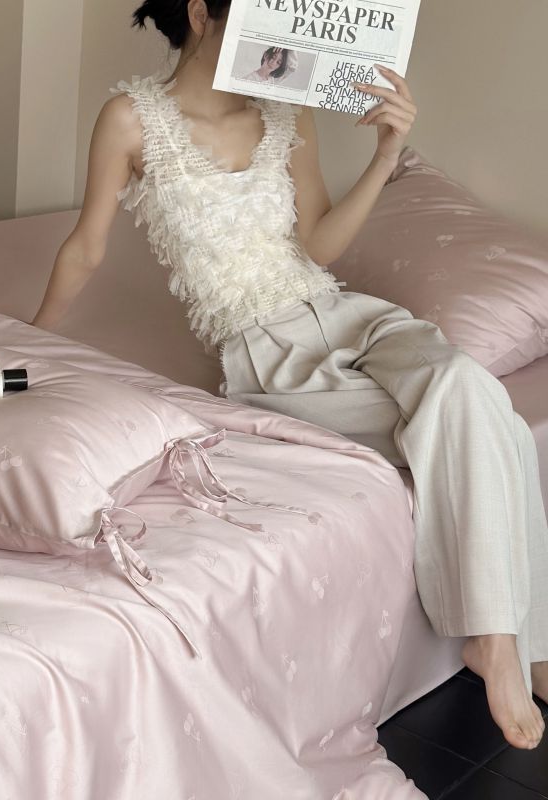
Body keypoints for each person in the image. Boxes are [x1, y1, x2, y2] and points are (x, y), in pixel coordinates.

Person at [31, 0, 548, 751]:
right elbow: (86, 246)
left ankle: (502, 641)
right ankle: (513, 643)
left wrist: (386, 154)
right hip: (265, 354)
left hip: (348, 314)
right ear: (202, 14)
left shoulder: (287, 111)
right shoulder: (131, 119)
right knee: (493, 424)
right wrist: (30, 337)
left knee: (466, 384)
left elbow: (320, 245)